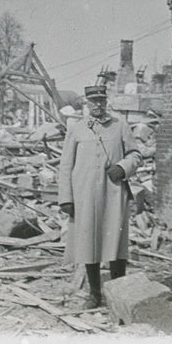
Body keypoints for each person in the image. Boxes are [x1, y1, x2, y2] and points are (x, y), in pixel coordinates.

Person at [58, 84, 142, 308]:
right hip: (84, 194)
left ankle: (119, 292)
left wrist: (123, 168)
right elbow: (66, 165)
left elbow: (136, 154)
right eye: (93, 101)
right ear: (86, 104)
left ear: (106, 102)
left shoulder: (120, 126)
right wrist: (66, 198)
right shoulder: (76, 129)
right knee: (89, 242)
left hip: (114, 194)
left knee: (116, 241)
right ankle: (95, 293)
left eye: (101, 101)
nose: (97, 105)